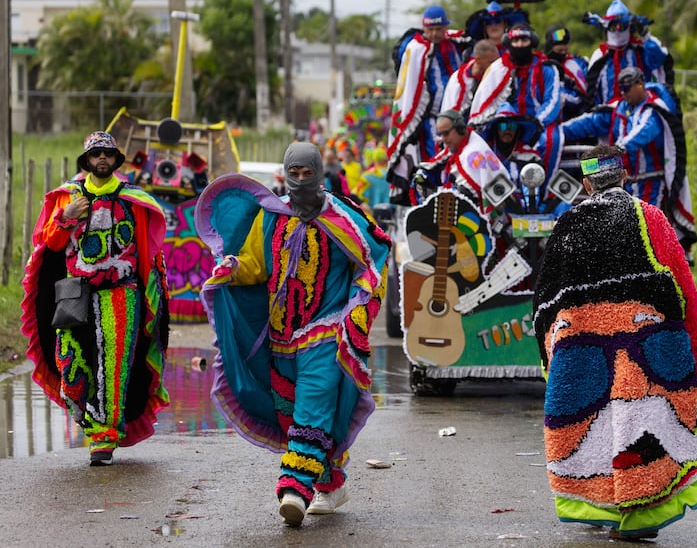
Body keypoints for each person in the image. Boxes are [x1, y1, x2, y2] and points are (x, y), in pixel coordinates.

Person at [532, 143, 697, 540]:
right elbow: (685, 294)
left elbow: (543, 307)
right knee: (639, 428)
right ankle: (637, 514)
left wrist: (553, 359)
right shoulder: (650, 218)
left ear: (586, 183)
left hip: (584, 358)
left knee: (599, 429)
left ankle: (607, 504)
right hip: (647, 351)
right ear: (625, 178)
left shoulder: (566, 226)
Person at [195, 142, 391, 527]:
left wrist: (358, 310)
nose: (301, 181)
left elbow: (374, 258)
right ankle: (331, 485)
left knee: (312, 411)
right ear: (284, 175)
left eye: (308, 173)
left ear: (321, 174)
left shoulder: (343, 216)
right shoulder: (271, 215)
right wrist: (233, 267)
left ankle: (294, 489)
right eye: (294, 174)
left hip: (327, 334)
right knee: (294, 419)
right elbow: (255, 264)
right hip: (282, 338)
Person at [21, 131, 170, 467]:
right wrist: (67, 216)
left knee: (113, 367)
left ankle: (104, 437)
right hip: (77, 292)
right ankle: (85, 414)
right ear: (86, 160)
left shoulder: (133, 199)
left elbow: (149, 251)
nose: (101, 158)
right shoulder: (68, 197)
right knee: (69, 362)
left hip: (122, 292)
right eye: (95, 153)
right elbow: (51, 244)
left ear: (116, 159)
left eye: (107, 153)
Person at [561, 66, 696, 256]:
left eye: (627, 89)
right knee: (621, 229)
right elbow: (591, 121)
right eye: (621, 89)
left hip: (651, 182)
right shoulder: (619, 108)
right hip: (624, 183)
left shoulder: (654, 108)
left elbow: (643, 131)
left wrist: (619, 148)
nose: (624, 93)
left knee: (649, 228)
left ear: (640, 84)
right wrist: (559, 132)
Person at [469, 24, 563, 194]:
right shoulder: (498, 68)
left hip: (540, 122)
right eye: (516, 40)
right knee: (484, 140)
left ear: (532, 42)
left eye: (524, 40)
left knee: (551, 139)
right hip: (506, 122)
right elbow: (484, 102)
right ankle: (495, 196)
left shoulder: (547, 67)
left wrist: (537, 122)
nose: (519, 44)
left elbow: (553, 100)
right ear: (508, 42)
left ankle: (544, 194)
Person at [387, 5, 464, 205]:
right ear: (424, 28)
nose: (435, 34)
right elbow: (410, 85)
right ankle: (432, 202)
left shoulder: (454, 44)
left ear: (445, 27)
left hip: (459, 117)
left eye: (439, 29)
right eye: (430, 29)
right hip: (431, 120)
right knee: (433, 160)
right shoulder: (416, 49)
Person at [411, 109, 515, 218]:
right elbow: (433, 165)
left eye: (446, 133)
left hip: (480, 221)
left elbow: (472, 194)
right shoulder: (458, 146)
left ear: (460, 129)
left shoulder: (474, 152)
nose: (443, 139)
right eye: (440, 134)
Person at [583, 0, 673, 107]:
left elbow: (658, 59)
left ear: (630, 28)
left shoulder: (641, 51)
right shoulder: (599, 55)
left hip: (638, 113)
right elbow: (591, 91)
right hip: (608, 116)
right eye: (612, 27)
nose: (617, 32)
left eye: (622, 27)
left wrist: (644, 34)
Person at [440, 39, 499, 119]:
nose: (496, 66)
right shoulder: (458, 82)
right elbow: (450, 116)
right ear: (478, 60)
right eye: (491, 62)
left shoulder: (497, 73)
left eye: (497, 61)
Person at [543, 25, 590, 121]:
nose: (563, 52)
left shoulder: (578, 61)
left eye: (565, 49)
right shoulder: (544, 67)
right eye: (559, 50)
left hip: (585, 111)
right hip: (561, 117)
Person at [464, 1, 529, 52]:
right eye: (489, 22)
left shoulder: (516, 48)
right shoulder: (475, 51)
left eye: (497, 21)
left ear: (505, 24)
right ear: (484, 27)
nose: (493, 25)